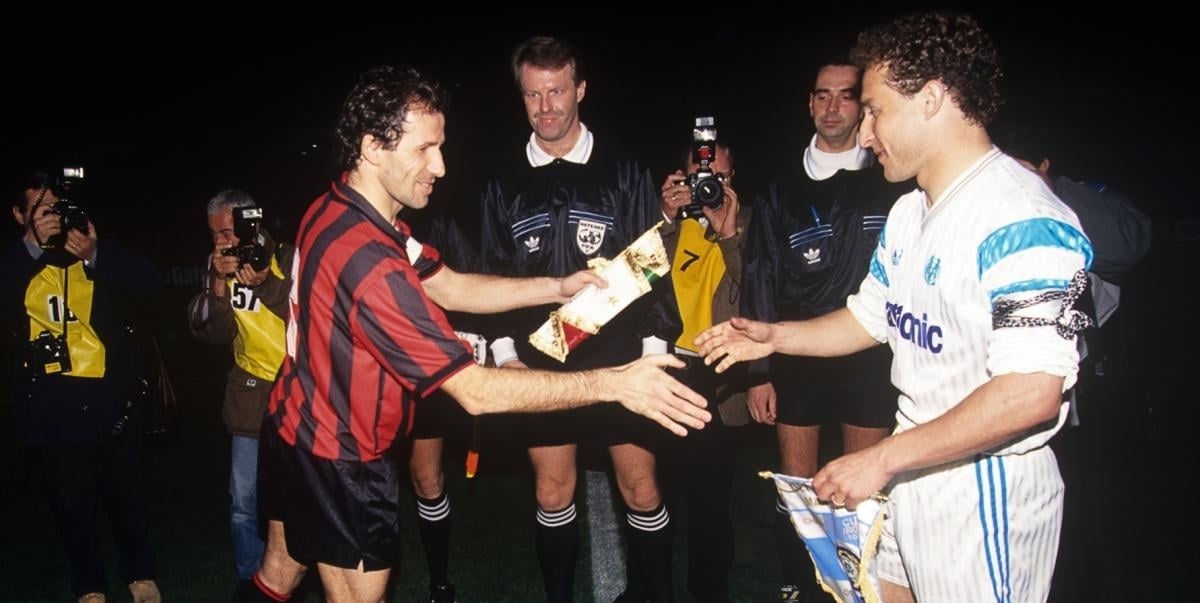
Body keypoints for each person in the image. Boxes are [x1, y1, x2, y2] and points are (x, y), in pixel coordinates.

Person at [249, 65, 708, 603]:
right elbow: (475, 391)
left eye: (440, 146)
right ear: (373, 147)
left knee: (276, 578)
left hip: (291, 428)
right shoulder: (373, 264)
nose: (440, 166)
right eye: (424, 149)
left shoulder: (337, 209)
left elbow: (451, 285)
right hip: (344, 455)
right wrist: (616, 383)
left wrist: (556, 286)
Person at [696, 12, 1094, 602]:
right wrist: (774, 337)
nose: (864, 133)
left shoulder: (1022, 218)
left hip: (982, 488)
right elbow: (868, 317)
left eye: (875, 110)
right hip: (911, 473)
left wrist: (880, 459)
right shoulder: (910, 211)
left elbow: (1030, 392)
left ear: (931, 100)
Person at [477, 36, 676, 603]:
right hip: (541, 361)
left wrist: (654, 354)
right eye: (532, 94)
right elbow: (491, 274)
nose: (546, 108)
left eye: (557, 92)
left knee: (641, 488)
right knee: (552, 490)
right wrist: (505, 356)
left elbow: (650, 267)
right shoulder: (501, 182)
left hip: (620, 358)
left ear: (580, 89)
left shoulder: (624, 170)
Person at [739, 60, 910, 600]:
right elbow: (760, 275)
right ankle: (800, 585)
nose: (833, 107)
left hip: (871, 360)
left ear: (862, 106)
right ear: (809, 104)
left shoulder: (891, 178)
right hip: (798, 358)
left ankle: (862, 590)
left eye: (846, 96)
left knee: (866, 490)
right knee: (798, 489)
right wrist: (760, 372)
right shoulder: (781, 187)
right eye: (822, 96)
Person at [2, 170, 162, 603]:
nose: (52, 217)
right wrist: (31, 248)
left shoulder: (89, 246)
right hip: (53, 407)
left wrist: (96, 255)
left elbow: (151, 282)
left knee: (127, 496)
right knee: (72, 506)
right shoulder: (15, 262)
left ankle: (140, 575)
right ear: (19, 215)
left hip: (113, 403)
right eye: (40, 209)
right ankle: (89, 586)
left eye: (56, 208)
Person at [186, 189, 295, 600]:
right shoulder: (219, 264)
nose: (222, 241)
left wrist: (265, 282)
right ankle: (250, 579)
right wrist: (217, 282)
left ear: (252, 223)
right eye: (214, 233)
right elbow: (212, 332)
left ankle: (301, 572)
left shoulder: (287, 256)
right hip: (249, 395)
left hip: (298, 393)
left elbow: (309, 312)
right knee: (243, 501)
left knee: (302, 496)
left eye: (228, 231)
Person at [655, 140, 750, 603]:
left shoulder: (749, 223)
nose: (711, 186)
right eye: (700, 179)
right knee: (656, 492)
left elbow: (757, 289)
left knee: (711, 499)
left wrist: (729, 232)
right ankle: (652, 586)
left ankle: (710, 590)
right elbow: (636, 277)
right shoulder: (666, 224)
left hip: (720, 373)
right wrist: (665, 217)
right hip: (669, 367)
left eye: (721, 178)